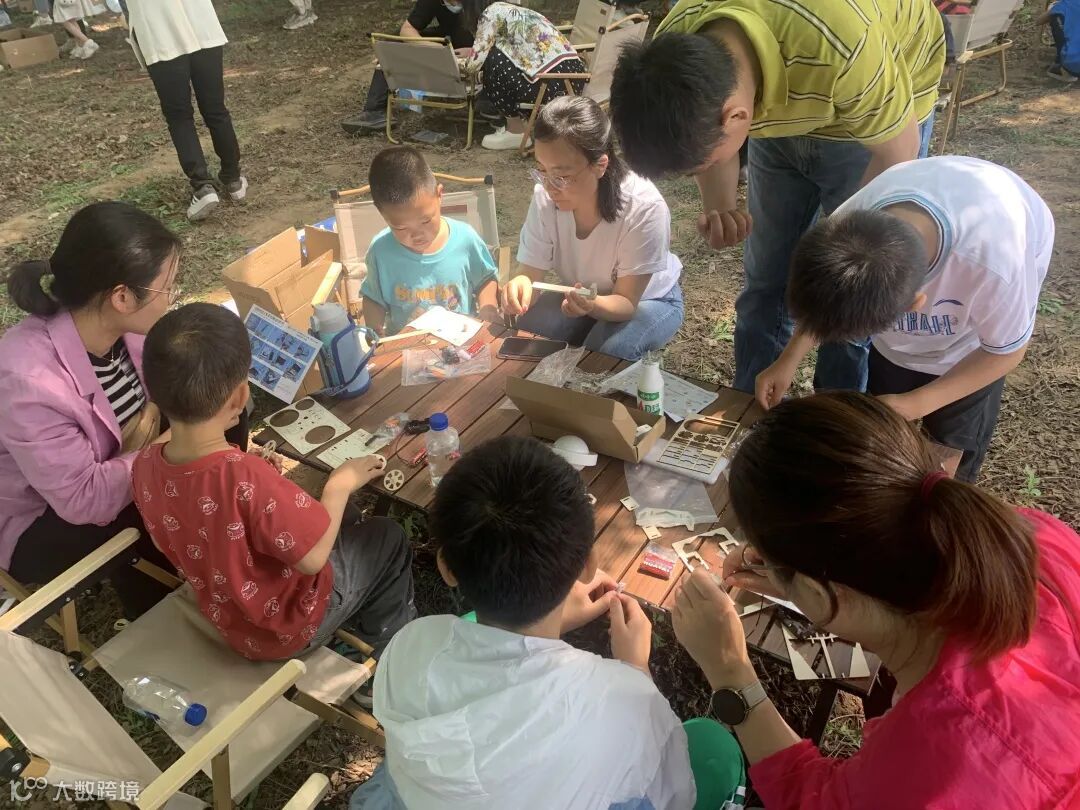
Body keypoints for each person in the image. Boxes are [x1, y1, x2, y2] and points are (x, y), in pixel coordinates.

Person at [671, 391, 1080, 808]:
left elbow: (815, 801)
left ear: (822, 593)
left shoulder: (934, 765)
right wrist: (805, 582)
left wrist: (730, 671)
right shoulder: (1027, 537)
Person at [350, 435, 730, 809]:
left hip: (414, 799)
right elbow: (675, 792)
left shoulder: (411, 644)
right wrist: (635, 671)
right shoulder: (624, 698)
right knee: (713, 745)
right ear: (589, 565)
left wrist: (549, 626)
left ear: (446, 568)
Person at [610, 0, 945, 395]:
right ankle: (750, 401)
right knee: (765, 280)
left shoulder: (844, 43)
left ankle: (835, 409)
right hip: (789, 93)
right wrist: (720, 204)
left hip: (876, 125)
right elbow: (709, 131)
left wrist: (845, 255)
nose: (704, 171)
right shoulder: (675, 48)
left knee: (853, 286)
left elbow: (897, 151)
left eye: (706, 163)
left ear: (737, 117)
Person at [131, 303, 416, 662]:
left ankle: (359, 608)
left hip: (231, 616)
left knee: (348, 518)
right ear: (240, 396)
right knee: (387, 536)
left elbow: (169, 536)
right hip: (287, 627)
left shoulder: (144, 465)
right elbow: (312, 561)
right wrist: (339, 485)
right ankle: (390, 650)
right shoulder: (244, 475)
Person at [754, 156, 1054, 482]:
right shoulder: (843, 230)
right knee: (886, 443)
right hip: (900, 342)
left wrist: (917, 403)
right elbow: (827, 305)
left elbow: (1005, 352)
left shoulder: (997, 265)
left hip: (970, 357)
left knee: (947, 461)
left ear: (916, 304)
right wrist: (789, 358)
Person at [0, 202, 208, 619]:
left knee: (220, 404)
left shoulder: (121, 329)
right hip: (42, 519)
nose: (171, 298)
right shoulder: (27, 380)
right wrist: (180, 442)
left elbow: (168, 388)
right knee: (142, 510)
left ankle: (215, 537)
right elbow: (85, 500)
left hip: (120, 460)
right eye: (166, 288)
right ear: (122, 297)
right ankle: (161, 620)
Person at [503, 96, 684, 361]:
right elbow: (529, 273)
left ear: (600, 165)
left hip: (649, 300)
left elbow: (625, 303)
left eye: (562, 176)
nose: (550, 187)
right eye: (541, 170)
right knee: (528, 333)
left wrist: (592, 305)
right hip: (580, 296)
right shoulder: (545, 196)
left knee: (603, 354)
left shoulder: (643, 207)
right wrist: (521, 284)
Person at [125, 0, 247, 222]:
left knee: (179, 117)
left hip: (160, 35)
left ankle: (202, 186)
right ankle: (233, 179)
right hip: (201, 26)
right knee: (215, 109)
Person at [360, 146, 498, 336]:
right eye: (401, 228)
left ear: (439, 195)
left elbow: (486, 279)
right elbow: (373, 298)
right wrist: (374, 329)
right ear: (381, 213)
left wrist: (488, 308)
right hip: (403, 345)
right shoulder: (380, 251)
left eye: (426, 221)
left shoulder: (465, 239)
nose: (417, 235)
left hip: (460, 339)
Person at [462, 1, 588, 151]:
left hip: (550, 85)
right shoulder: (518, 11)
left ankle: (515, 131)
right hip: (574, 80)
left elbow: (474, 64)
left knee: (493, 59)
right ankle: (519, 125)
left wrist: (456, 65)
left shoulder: (491, 12)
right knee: (498, 56)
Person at [341, 0, 480, 134]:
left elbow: (493, 35)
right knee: (393, 42)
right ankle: (375, 111)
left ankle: (486, 105)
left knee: (483, 49)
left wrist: (475, 49)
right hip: (449, 40)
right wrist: (435, 48)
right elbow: (407, 29)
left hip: (478, 42)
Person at [1041, 0, 1080, 81]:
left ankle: (1060, 66)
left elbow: (1038, 21)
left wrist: (1052, 10)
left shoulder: (1060, 7)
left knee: (1056, 17)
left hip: (1074, 66)